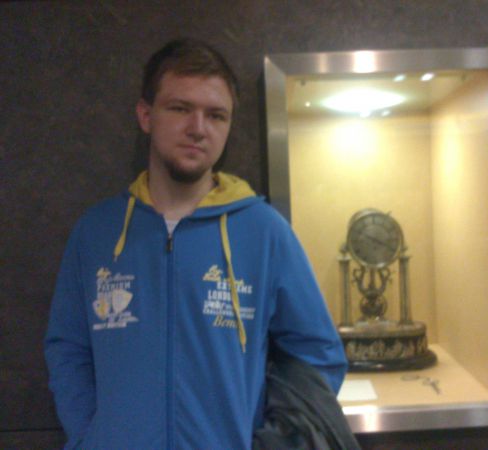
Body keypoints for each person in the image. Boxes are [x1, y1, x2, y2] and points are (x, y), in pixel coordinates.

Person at [45, 38, 348, 449]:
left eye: (216, 115)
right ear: (146, 115)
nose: (198, 128)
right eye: (180, 108)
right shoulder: (97, 232)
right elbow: (68, 350)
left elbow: (318, 355)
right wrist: (91, 437)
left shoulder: (264, 233)